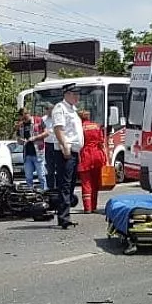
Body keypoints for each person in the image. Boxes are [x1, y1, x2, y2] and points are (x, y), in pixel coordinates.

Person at [47, 84, 83, 229]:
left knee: (71, 183)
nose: (77, 96)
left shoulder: (73, 110)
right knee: (65, 184)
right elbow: (58, 129)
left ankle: (66, 215)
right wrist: (64, 146)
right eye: (74, 94)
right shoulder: (60, 108)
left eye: (78, 94)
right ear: (66, 94)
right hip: (65, 151)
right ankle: (63, 217)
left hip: (74, 151)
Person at [76, 108, 108, 213]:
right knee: (95, 183)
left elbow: (78, 142)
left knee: (86, 183)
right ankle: (94, 206)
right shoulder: (96, 126)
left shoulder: (80, 127)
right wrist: (105, 158)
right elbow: (101, 142)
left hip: (85, 156)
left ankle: (88, 207)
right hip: (97, 155)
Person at [15, 108, 47, 193]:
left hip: (38, 153)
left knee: (41, 175)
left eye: (25, 117)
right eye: (22, 118)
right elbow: (18, 139)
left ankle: (44, 192)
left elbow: (46, 133)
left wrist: (35, 138)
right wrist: (21, 141)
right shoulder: (21, 125)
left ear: (28, 114)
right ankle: (30, 193)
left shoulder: (38, 120)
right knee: (28, 177)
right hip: (27, 154)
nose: (24, 120)